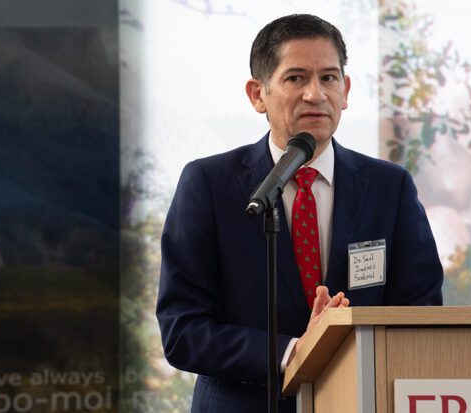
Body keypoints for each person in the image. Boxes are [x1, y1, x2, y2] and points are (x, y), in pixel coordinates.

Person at [156, 14, 443, 412]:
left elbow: (421, 315)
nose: (315, 94)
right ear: (258, 94)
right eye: (296, 78)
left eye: (328, 78)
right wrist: (294, 352)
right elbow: (182, 331)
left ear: (345, 90)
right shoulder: (209, 183)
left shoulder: (389, 187)